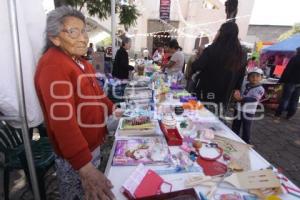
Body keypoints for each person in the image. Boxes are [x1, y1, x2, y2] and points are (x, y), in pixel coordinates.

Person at [34, 6, 122, 200]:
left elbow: (98, 94)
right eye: (74, 32)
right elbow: (62, 120)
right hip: (76, 156)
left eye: (84, 31)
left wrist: (113, 108)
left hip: (92, 146)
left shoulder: (82, 62)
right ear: (55, 38)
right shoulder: (53, 64)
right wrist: (85, 167)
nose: (83, 38)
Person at [0, 0, 45, 137]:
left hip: (29, 109)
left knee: (34, 131)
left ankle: (35, 138)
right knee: (34, 131)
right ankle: (34, 139)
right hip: (27, 109)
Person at [191, 22, 246, 112]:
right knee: (216, 120)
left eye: (219, 31)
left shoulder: (212, 49)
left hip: (205, 93)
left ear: (221, 33)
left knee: (201, 118)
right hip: (224, 96)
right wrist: (237, 88)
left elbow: (196, 66)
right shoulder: (241, 53)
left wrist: (198, 57)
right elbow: (241, 74)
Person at [232, 67, 265, 144]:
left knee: (246, 128)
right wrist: (235, 93)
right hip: (238, 109)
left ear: (261, 78)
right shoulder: (244, 84)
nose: (254, 78)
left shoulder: (260, 89)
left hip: (249, 112)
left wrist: (240, 99)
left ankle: (246, 142)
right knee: (235, 125)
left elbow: (253, 99)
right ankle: (233, 138)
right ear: (248, 77)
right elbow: (238, 91)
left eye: (257, 76)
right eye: (252, 76)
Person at [274, 47, 300, 121]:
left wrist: (281, 80)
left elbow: (287, 70)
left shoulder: (295, 58)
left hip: (290, 82)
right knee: (295, 100)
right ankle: (289, 115)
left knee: (285, 99)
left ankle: (278, 115)